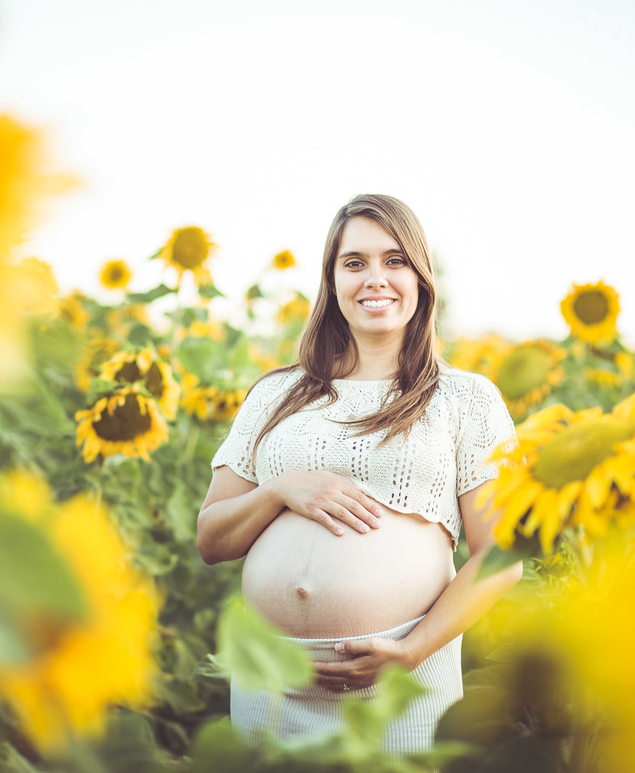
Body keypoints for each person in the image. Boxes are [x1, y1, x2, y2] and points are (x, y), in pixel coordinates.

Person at [196, 193, 523, 754]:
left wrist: (411, 651)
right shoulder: (273, 395)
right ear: (332, 280)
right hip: (270, 687)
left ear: (421, 278)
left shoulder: (467, 399)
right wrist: (280, 490)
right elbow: (211, 539)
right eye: (355, 262)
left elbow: (502, 557)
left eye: (395, 261)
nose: (376, 278)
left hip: (397, 690)